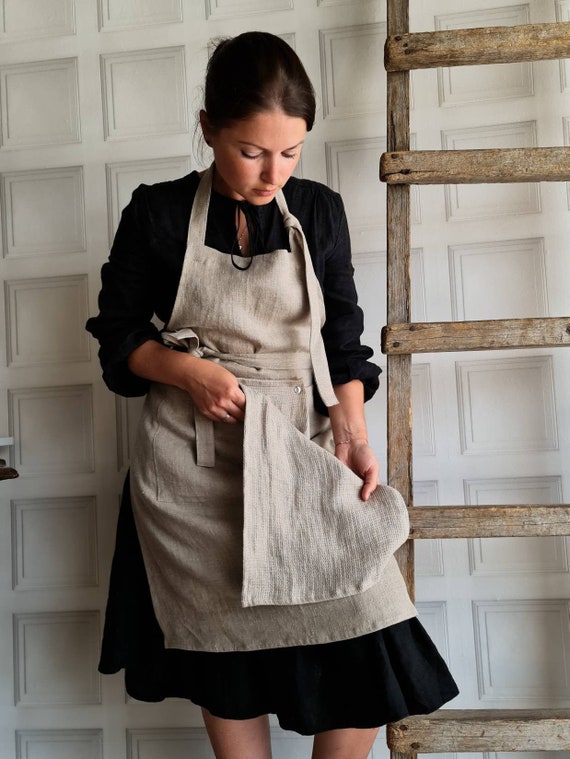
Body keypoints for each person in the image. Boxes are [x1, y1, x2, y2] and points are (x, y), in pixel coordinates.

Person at [87, 31, 458, 759]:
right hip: (196, 475)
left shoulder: (316, 211)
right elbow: (118, 339)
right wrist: (185, 370)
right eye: (252, 150)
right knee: (225, 663)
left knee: (371, 631)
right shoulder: (158, 215)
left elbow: (344, 340)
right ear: (208, 130)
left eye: (290, 152)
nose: (271, 173)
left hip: (302, 449)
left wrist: (352, 431)